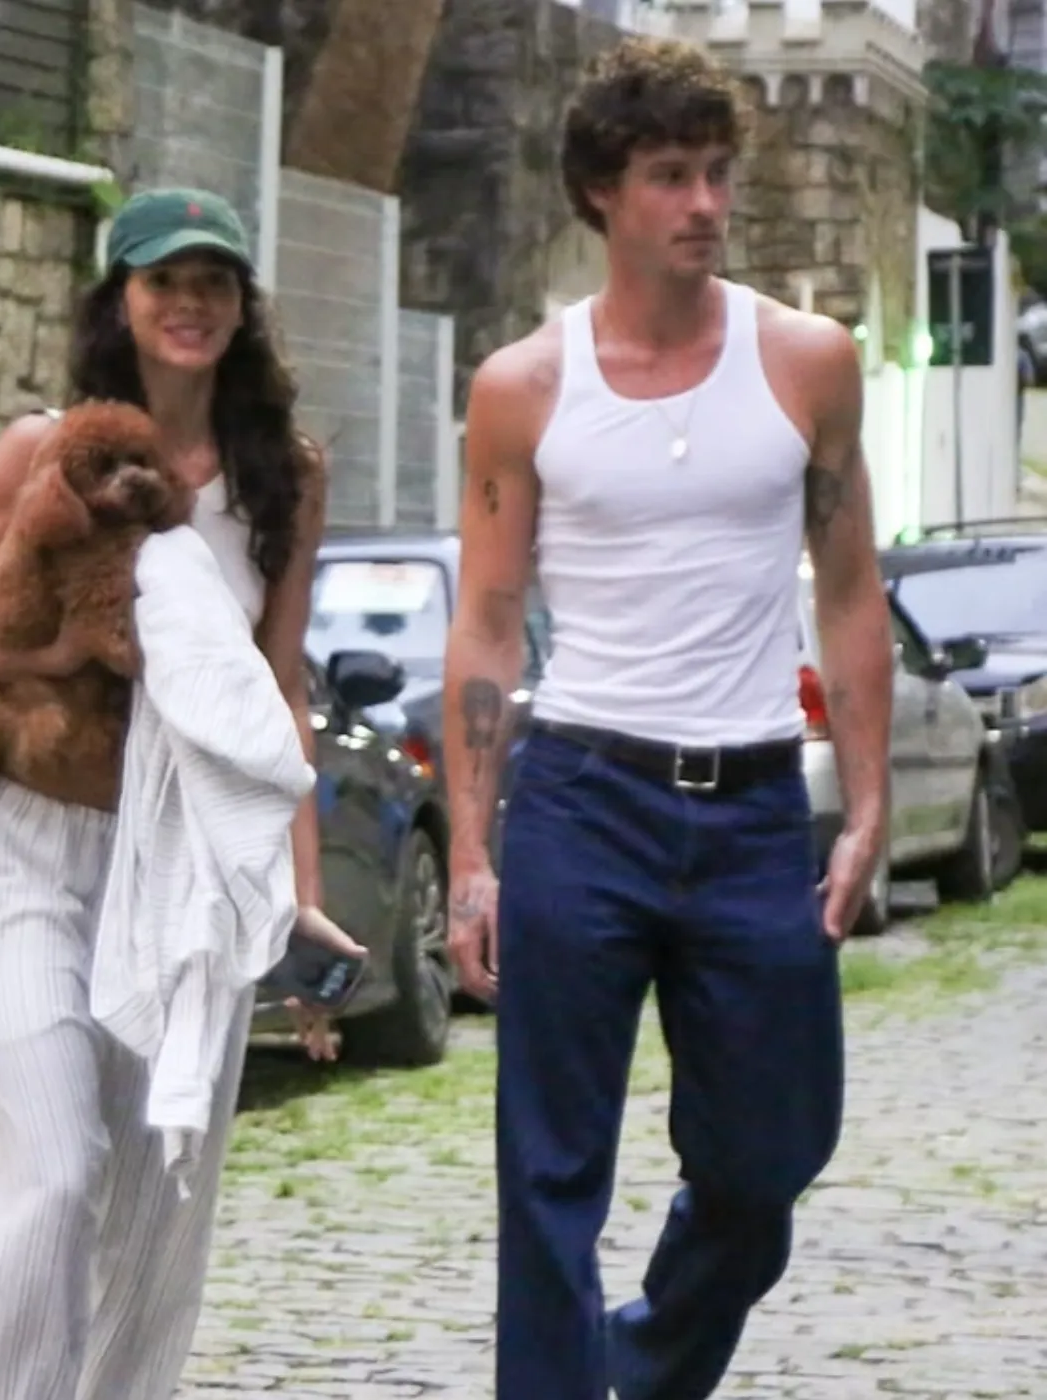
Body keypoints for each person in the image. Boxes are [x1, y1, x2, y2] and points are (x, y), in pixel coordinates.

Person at [441, 39, 892, 1400]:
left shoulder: (805, 361)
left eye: (715, 173)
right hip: (583, 796)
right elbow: (488, 623)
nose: (703, 203)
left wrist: (867, 804)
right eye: (668, 176)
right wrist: (470, 850)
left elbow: (849, 591)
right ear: (600, 191)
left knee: (769, 1157)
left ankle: (635, 1370)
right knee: (548, 1169)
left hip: (751, 806)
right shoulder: (524, 385)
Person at [0, 188, 358, 1399]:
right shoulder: (47, 450)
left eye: (214, 282)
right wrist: (40, 655)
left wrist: (295, 893)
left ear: (242, 307)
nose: (190, 302)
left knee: (156, 1208)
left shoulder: (285, 475)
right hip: (31, 848)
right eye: (163, 281)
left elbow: (275, 691)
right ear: (121, 302)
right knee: (52, 1166)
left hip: (187, 865)